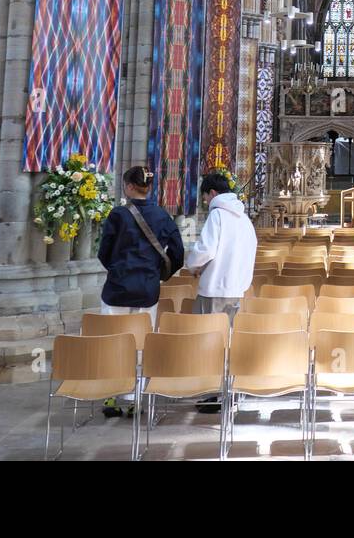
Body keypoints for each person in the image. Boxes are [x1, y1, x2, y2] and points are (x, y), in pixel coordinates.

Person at [96, 166, 183, 417]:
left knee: (113, 340)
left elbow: (104, 251)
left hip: (118, 288)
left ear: (130, 186)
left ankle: (113, 396)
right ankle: (136, 398)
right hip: (147, 288)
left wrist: (117, 270)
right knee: (141, 342)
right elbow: (177, 253)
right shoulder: (162, 215)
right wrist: (159, 274)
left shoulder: (119, 214)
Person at [187, 172, 257, 322]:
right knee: (225, 338)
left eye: (205, 197)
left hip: (214, 289)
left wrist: (193, 265)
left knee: (203, 336)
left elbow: (206, 249)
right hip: (236, 290)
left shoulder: (217, 214)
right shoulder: (245, 219)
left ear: (212, 193)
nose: (205, 201)